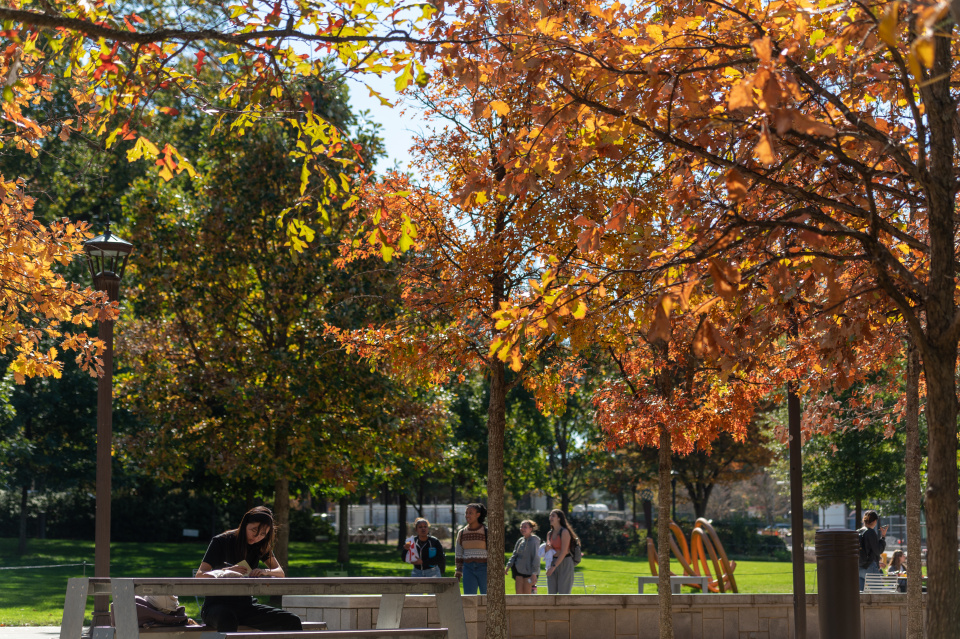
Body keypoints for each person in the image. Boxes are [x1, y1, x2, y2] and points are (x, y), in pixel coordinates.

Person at [195, 506, 302, 632]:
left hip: (245, 606)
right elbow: (200, 575)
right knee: (227, 618)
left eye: (263, 534)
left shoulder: (261, 545)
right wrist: (225, 571)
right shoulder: (221, 541)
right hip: (216, 606)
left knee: (292, 621)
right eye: (254, 530)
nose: (257, 537)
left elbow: (280, 572)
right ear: (245, 524)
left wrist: (265, 571)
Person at [454, 503, 488, 595]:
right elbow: (459, 553)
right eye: (466, 513)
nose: (467, 515)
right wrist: (458, 570)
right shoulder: (462, 533)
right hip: (468, 569)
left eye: (470, 513)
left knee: (487, 598)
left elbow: (493, 553)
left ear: (478, 515)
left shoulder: (486, 532)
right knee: (469, 599)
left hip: (485, 569)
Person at [545, 509, 579, 595]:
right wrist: (547, 548)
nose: (550, 518)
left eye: (553, 516)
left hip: (565, 563)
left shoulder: (564, 532)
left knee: (563, 594)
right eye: (550, 516)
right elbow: (548, 550)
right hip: (552, 561)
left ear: (559, 518)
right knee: (551, 593)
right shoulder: (549, 533)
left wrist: (553, 567)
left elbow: (564, 552)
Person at [504, 520, 541, 594]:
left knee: (527, 595)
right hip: (518, 571)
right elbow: (514, 555)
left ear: (530, 529)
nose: (522, 528)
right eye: (521, 526)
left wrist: (534, 573)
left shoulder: (534, 541)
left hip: (530, 573)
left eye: (525, 527)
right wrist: (508, 566)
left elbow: (536, 558)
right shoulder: (520, 540)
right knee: (518, 594)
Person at [858, 510, 887, 591]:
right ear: (875, 521)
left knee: (860, 594)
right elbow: (878, 550)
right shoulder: (870, 532)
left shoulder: (859, 531)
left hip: (858, 566)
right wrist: (883, 537)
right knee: (878, 592)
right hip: (870, 567)